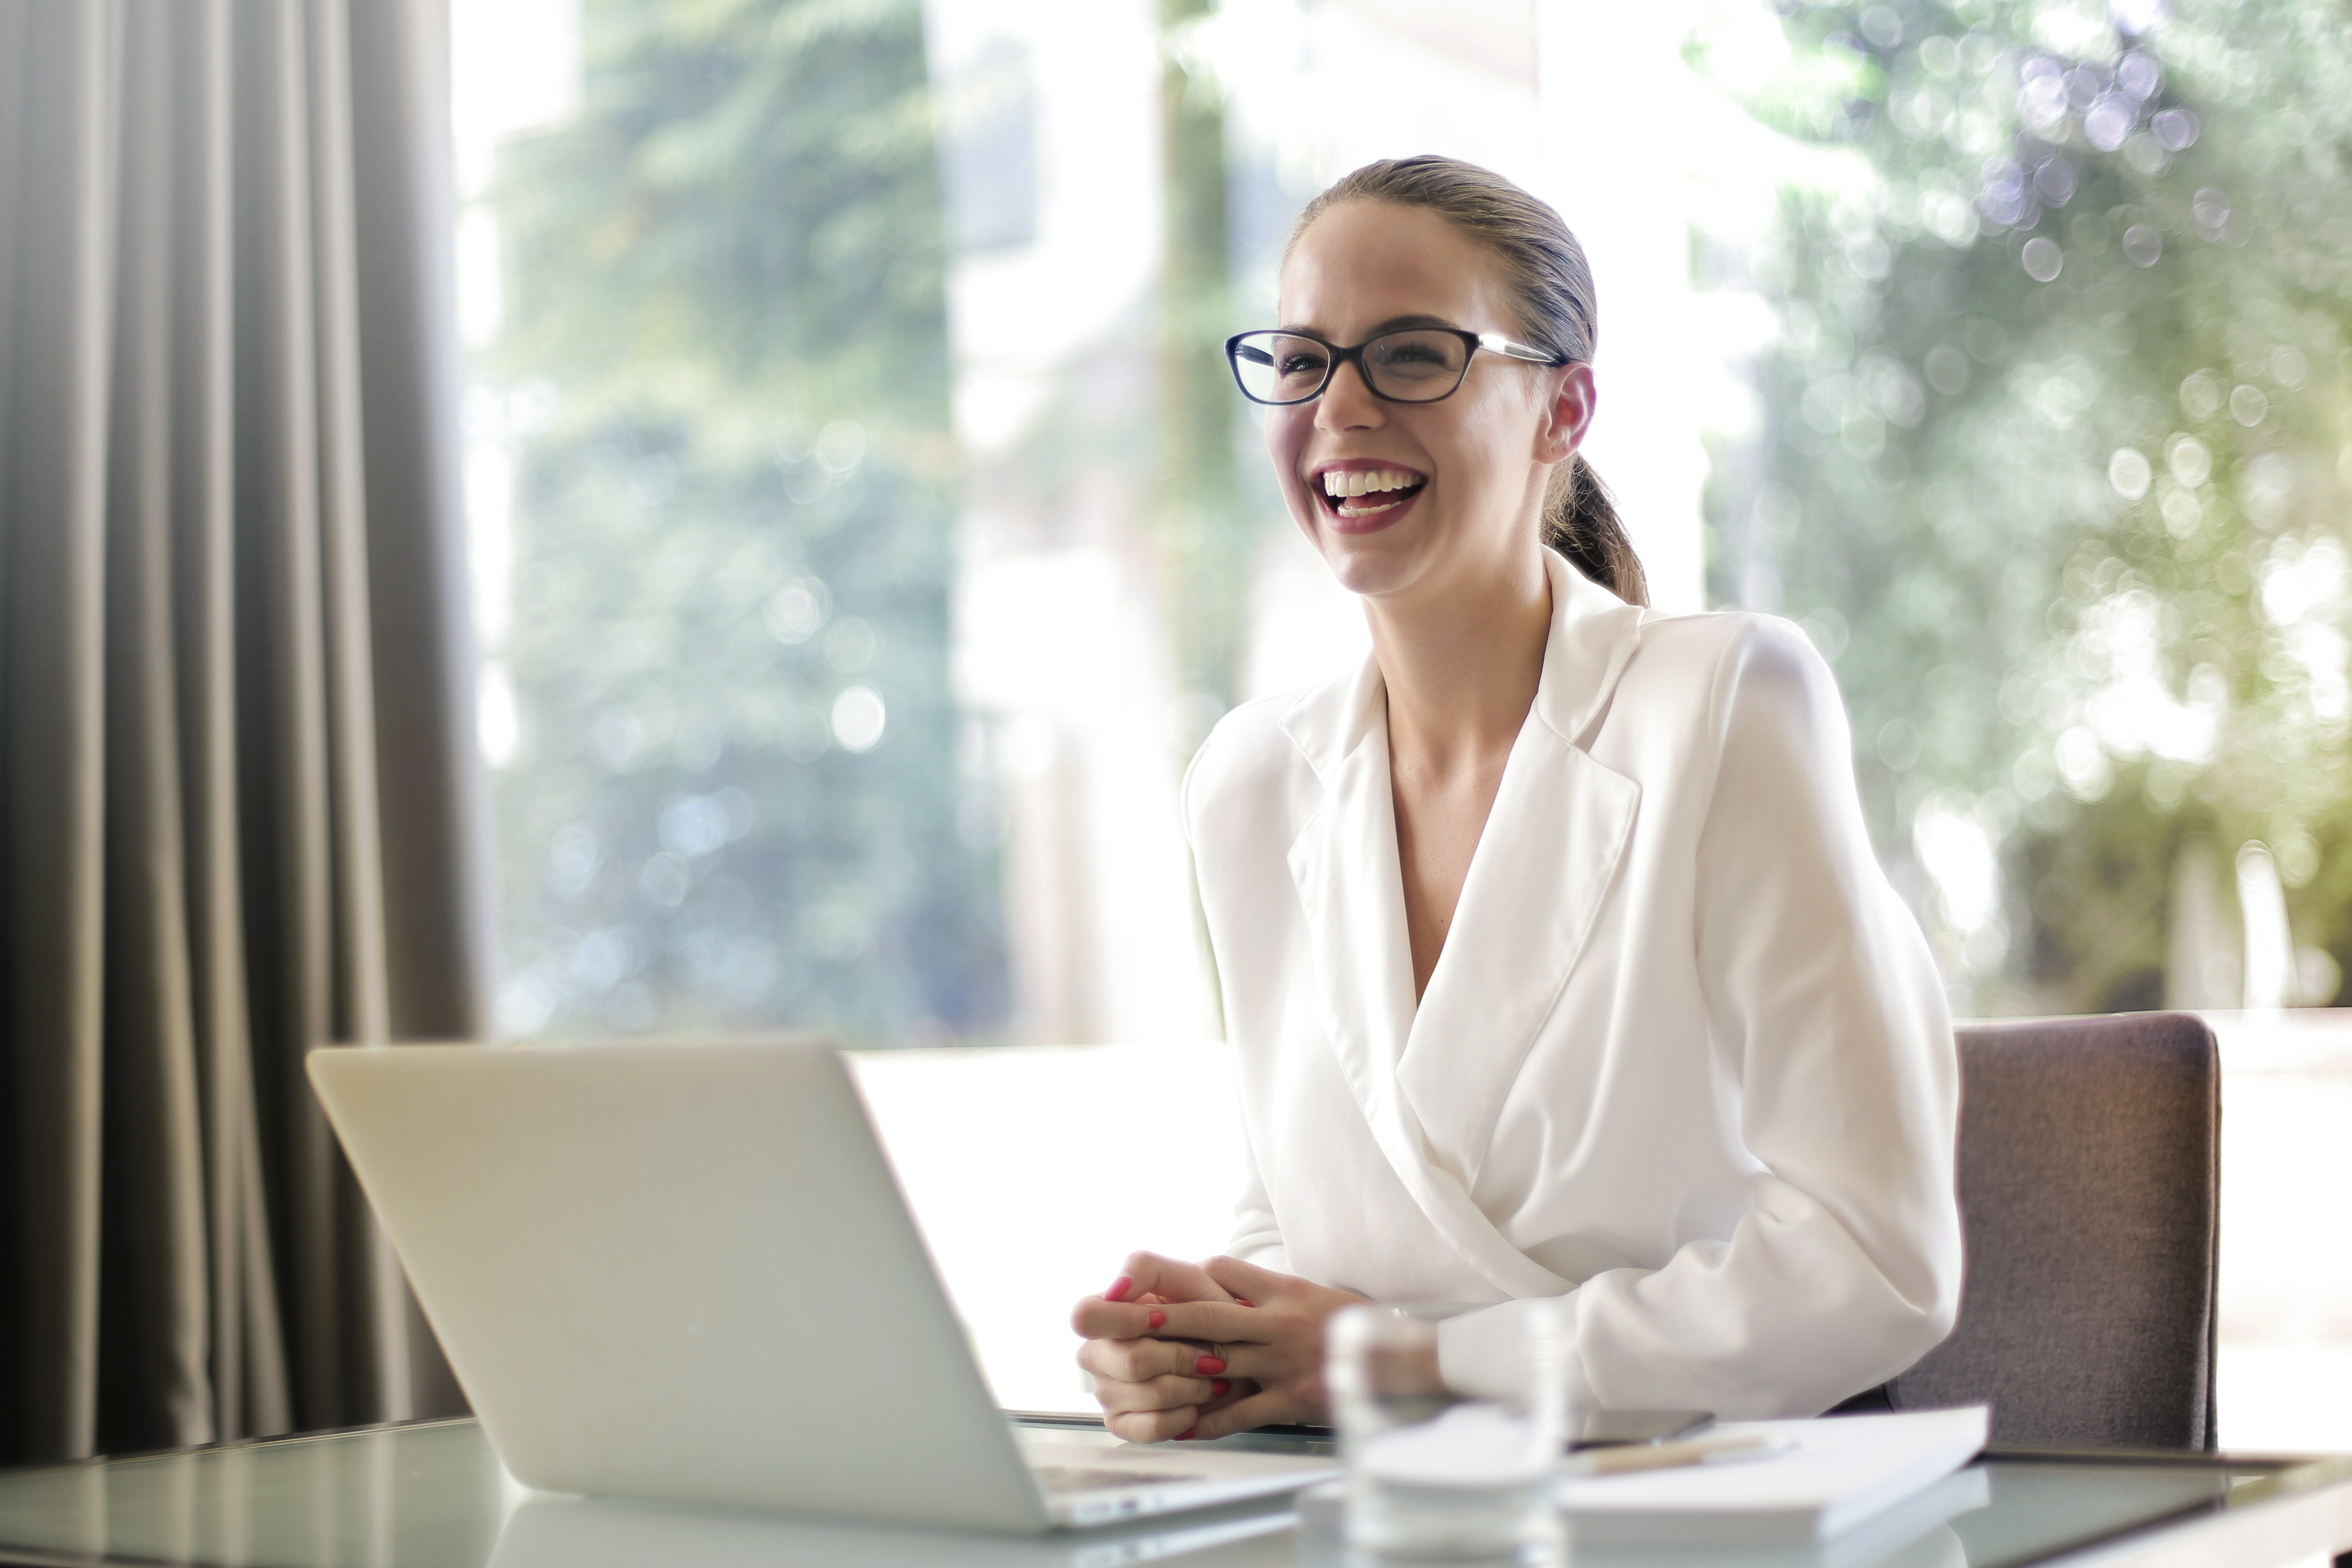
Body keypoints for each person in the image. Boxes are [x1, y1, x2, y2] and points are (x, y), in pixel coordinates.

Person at [1067, 155, 1962, 1443]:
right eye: (1303, 359)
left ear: (1563, 407)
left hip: (1701, 1500)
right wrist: (1208, 1345)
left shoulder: (1721, 705)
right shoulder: (1249, 784)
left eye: (1413, 355)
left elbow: (1875, 1263)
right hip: (1401, 1510)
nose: (1341, 408)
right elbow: (1301, 1203)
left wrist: (1412, 1363)